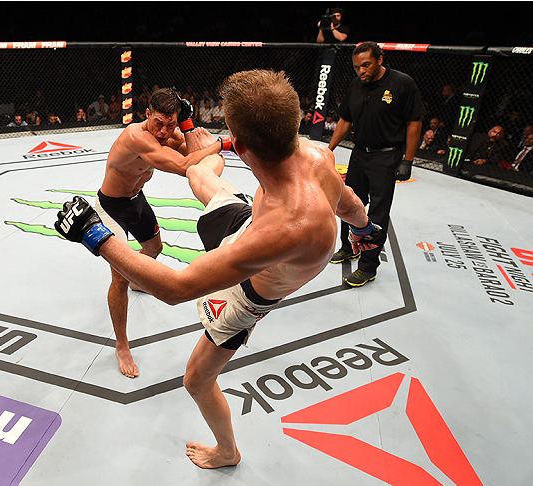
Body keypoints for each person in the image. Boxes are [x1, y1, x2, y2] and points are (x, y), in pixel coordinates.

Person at [54, 70, 385, 468]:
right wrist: (363, 229)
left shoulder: (287, 229)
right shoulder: (317, 156)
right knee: (199, 172)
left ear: (239, 146)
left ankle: (227, 451)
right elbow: (347, 201)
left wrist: (96, 235)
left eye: (226, 138)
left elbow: (177, 289)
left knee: (196, 379)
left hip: (251, 289)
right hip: (250, 220)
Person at [88, 87, 228, 378]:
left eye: (171, 125)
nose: (164, 132)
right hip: (111, 205)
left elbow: (195, 158)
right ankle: (122, 345)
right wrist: (224, 143)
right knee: (120, 276)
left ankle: (136, 280)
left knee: (154, 249)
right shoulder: (136, 137)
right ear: (147, 115)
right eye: (158, 124)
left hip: (136, 200)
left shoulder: (170, 132)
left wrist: (187, 126)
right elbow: (182, 165)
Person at [327, 41, 425, 287]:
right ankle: (349, 247)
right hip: (359, 154)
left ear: (380, 59)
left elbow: (415, 122)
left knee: (377, 212)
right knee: (348, 203)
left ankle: (368, 266)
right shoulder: (356, 85)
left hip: (386, 156)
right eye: (357, 67)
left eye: (366, 65)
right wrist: (328, 150)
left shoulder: (402, 83)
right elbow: (345, 120)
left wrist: (408, 160)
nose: (361, 71)